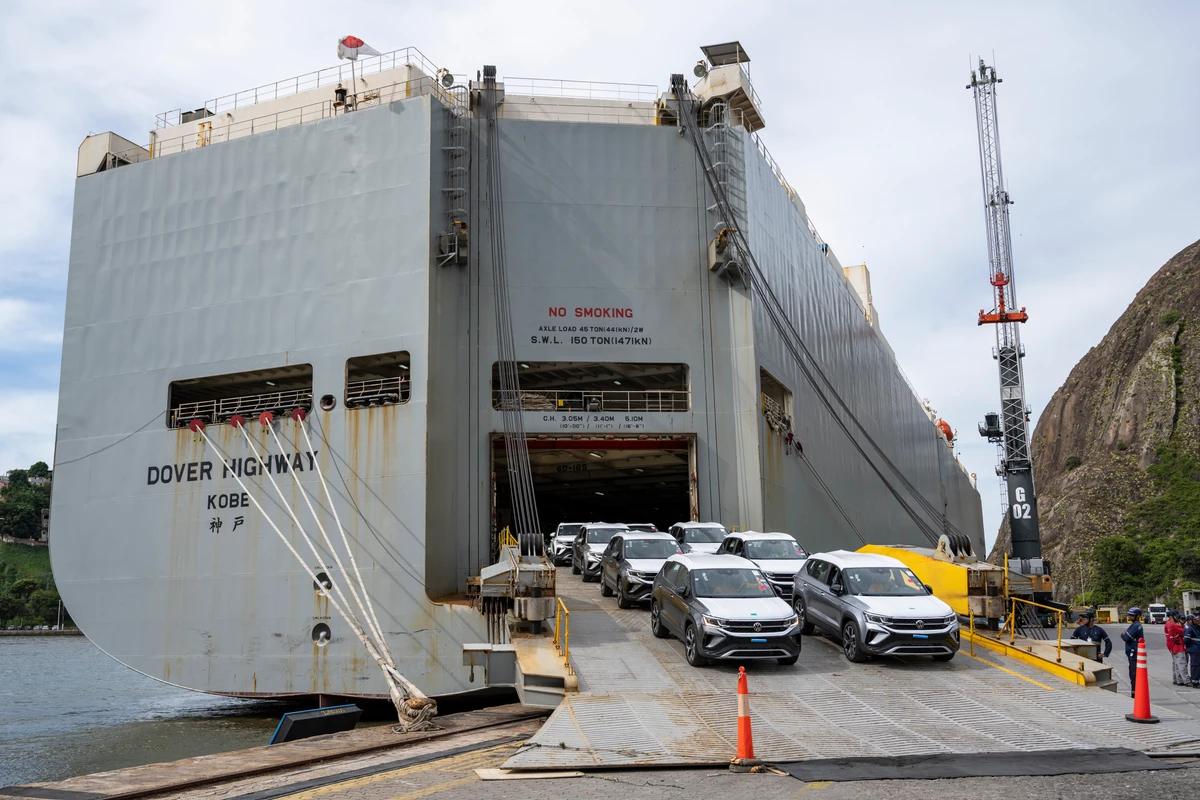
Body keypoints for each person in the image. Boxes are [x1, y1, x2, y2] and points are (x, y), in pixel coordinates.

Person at [1120, 607, 1145, 698]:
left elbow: (1126, 637)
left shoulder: (1135, 626)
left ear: (1138, 616)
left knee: (1134, 673)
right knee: (1132, 673)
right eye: (1129, 615)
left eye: (1132, 615)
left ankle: (1135, 692)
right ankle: (1135, 691)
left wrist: (1124, 634)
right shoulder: (1134, 625)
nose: (1130, 616)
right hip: (1132, 652)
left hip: (1134, 652)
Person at [1165, 610, 1188, 686]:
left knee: (1176, 663)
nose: (1177, 617)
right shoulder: (1173, 625)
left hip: (1171, 644)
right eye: (1176, 616)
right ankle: (1185, 680)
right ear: (1171, 616)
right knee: (1181, 663)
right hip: (1176, 645)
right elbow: (1183, 632)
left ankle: (1177, 679)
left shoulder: (1167, 624)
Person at [1185, 614, 1200, 689]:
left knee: (1197, 666)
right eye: (1194, 620)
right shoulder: (1189, 628)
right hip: (1194, 649)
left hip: (1196, 649)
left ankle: (1196, 680)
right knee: (1195, 665)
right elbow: (1186, 640)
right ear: (1190, 621)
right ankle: (1195, 682)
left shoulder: (1194, 627)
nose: (1196, 621)